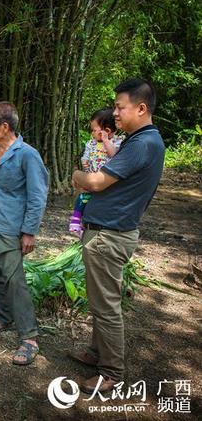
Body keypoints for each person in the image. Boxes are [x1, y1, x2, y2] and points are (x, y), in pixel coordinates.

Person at [69, 78, 165, 393]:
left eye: (120, 107)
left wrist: (77, 176)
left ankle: (111, 372)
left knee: (106, 304)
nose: (115, 113)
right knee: (100, 301)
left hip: (109, 236)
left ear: (141, 107)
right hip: (107, 232)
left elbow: (96, 182)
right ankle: (96, 353)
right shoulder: (142, 141)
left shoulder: (143, 143)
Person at [0, 101, 49, 365]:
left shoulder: (28, 155)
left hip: (9, 225)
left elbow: (38, 196)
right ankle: (3, 316)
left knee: (14, 279)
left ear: (5, 127)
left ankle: (29, 337)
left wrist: (29, 232)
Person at [69, 108, 124, 238]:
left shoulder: (117, 142)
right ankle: (76, 222)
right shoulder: (91, 144)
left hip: (107, 181)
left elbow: (113, 155)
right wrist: (85, 164)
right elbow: (85, 157)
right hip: (91, 178)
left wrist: (106, 141)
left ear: (107, 131)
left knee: (96, 203)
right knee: (83, 198)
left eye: (94, 130)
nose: (92, 133)